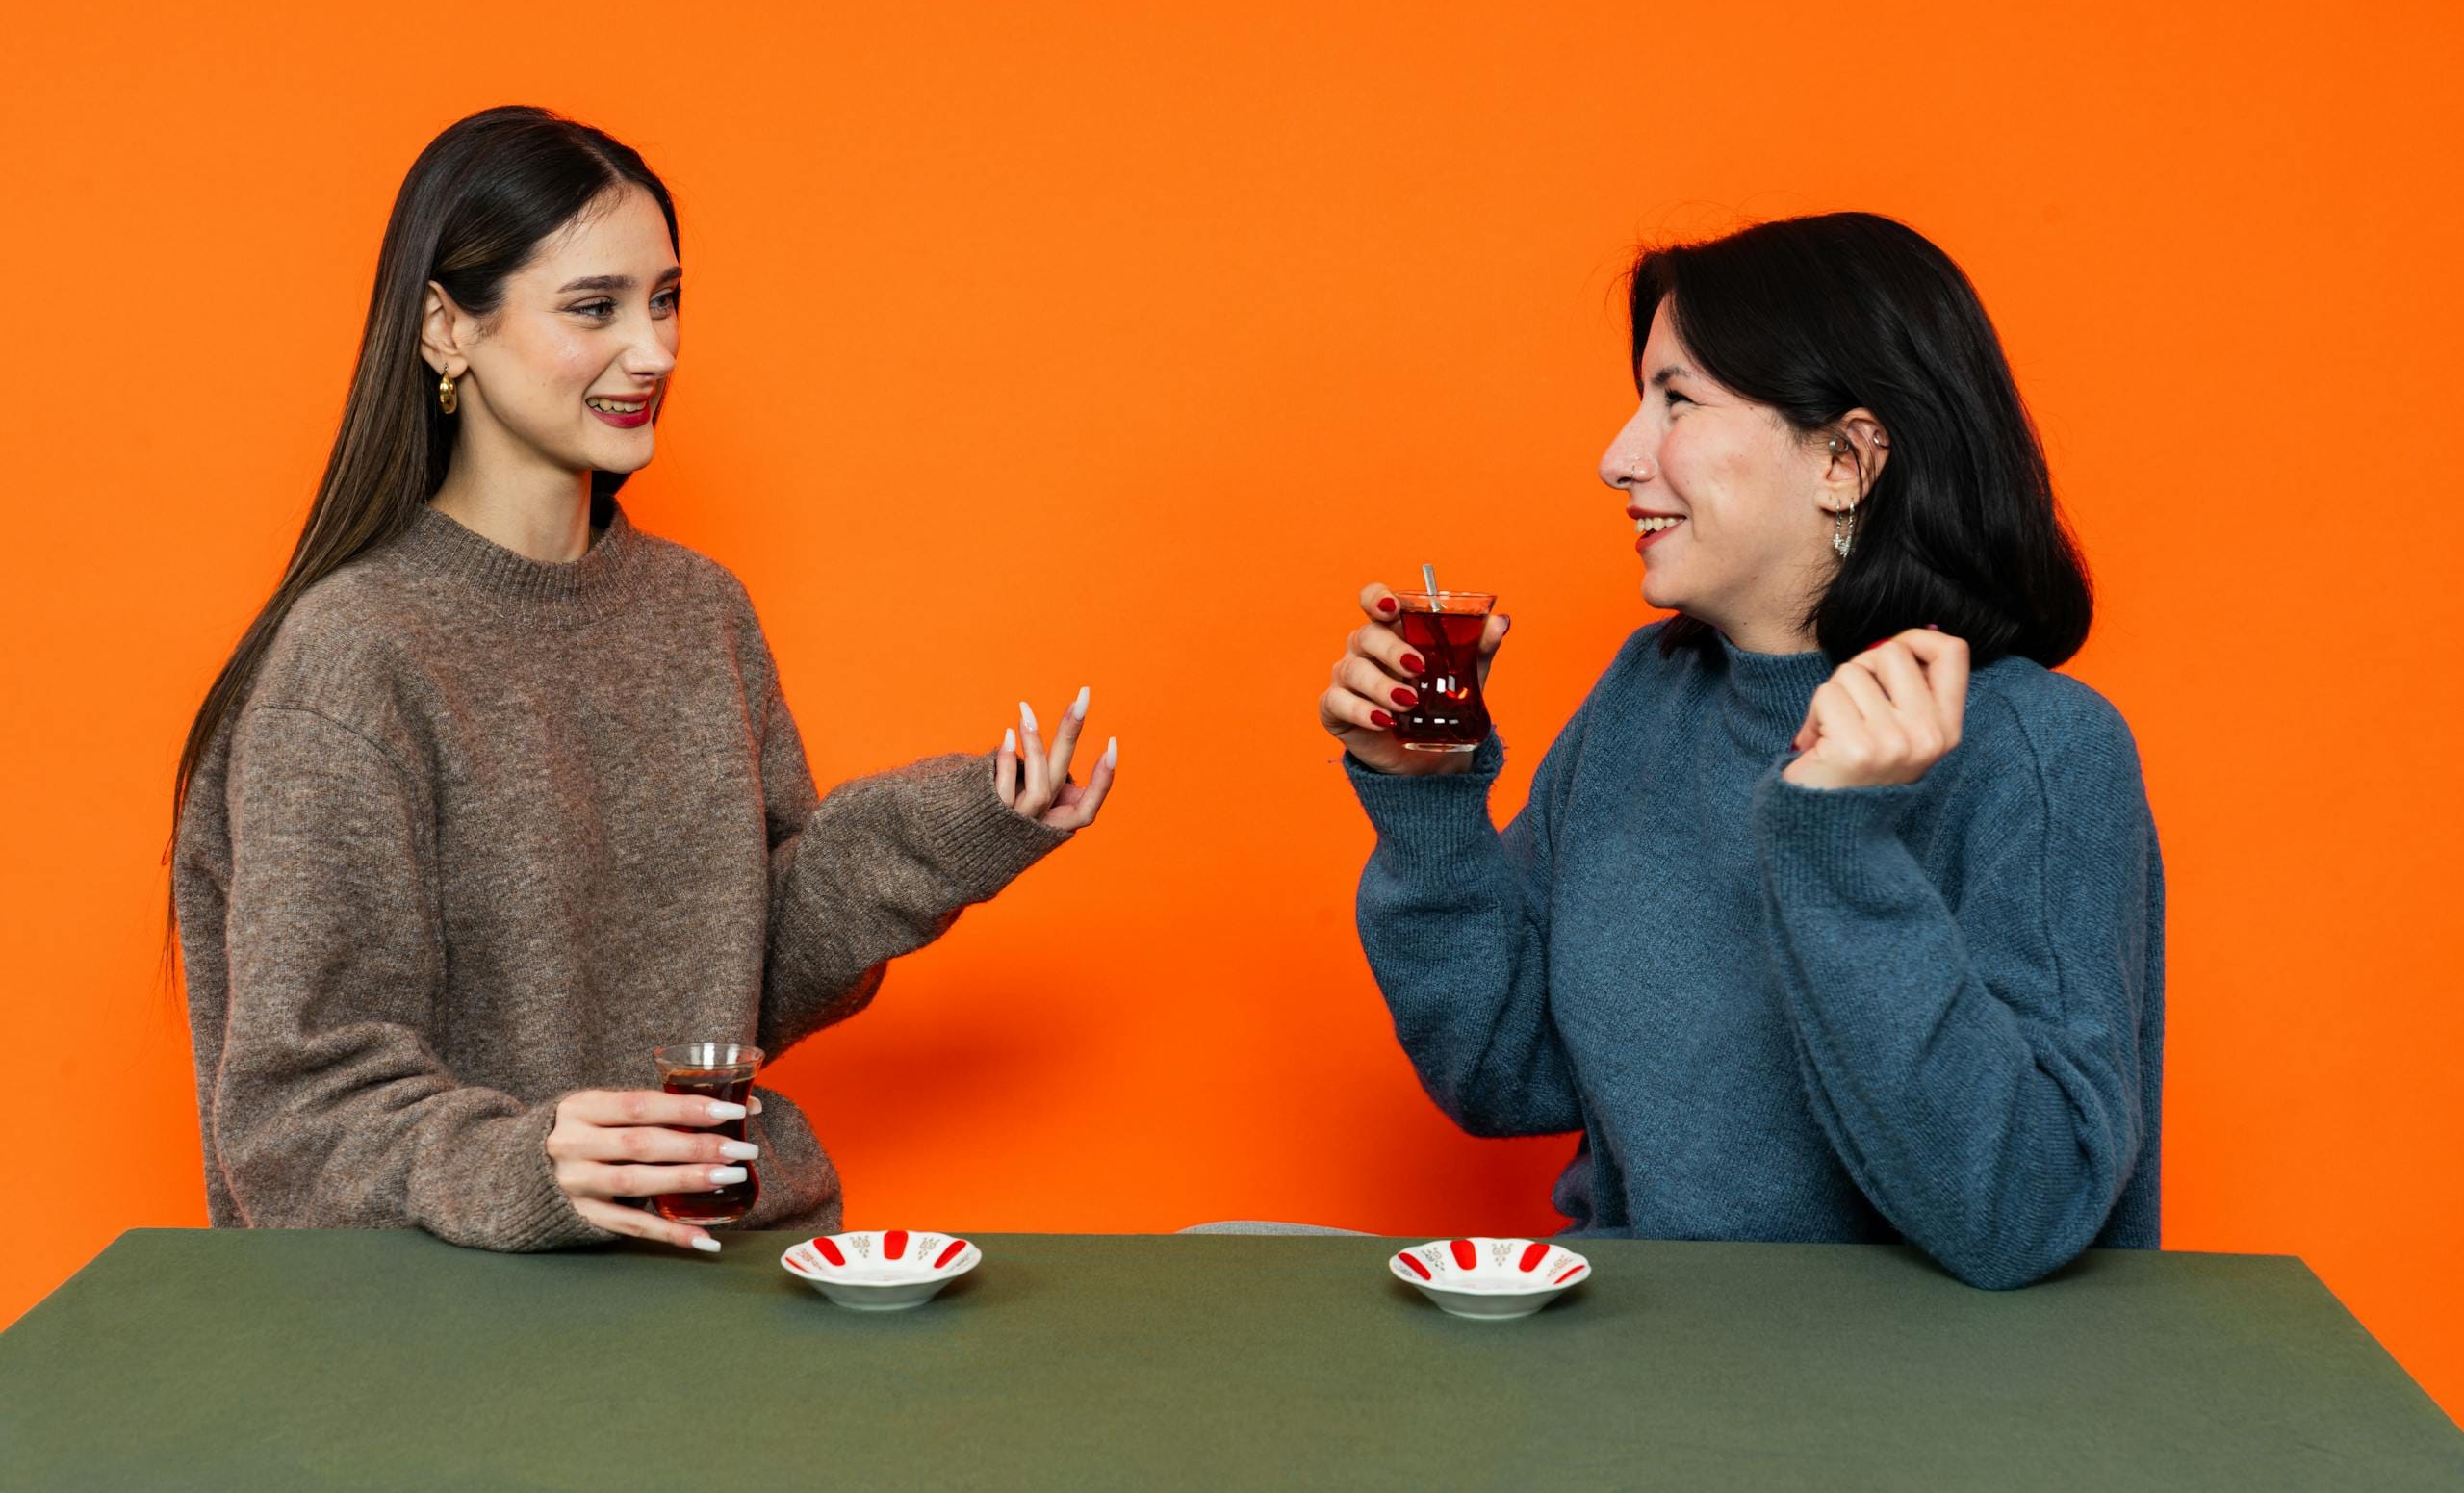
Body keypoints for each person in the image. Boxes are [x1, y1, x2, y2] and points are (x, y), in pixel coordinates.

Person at [167, 105, 1117, 1256]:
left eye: (665, 300)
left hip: (724, 1261)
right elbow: (295, 1122)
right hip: (473, 1323)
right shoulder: (352, 659)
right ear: (446, 331)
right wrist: (525, 1165)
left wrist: (966, 824)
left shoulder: (695, 611)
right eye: (594, 307)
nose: (656, 351)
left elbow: (740, 971)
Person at [1317, 212, 2161, 1289]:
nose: (1617, 458)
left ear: (1845, 463)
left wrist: (1839, 848)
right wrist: (1427, 805)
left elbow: (2018, 1214)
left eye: (1675, 399)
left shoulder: (2038, 749)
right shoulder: (1645, 699)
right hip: (1652, 1364)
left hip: (1925, 1417)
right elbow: (1505, 1073)